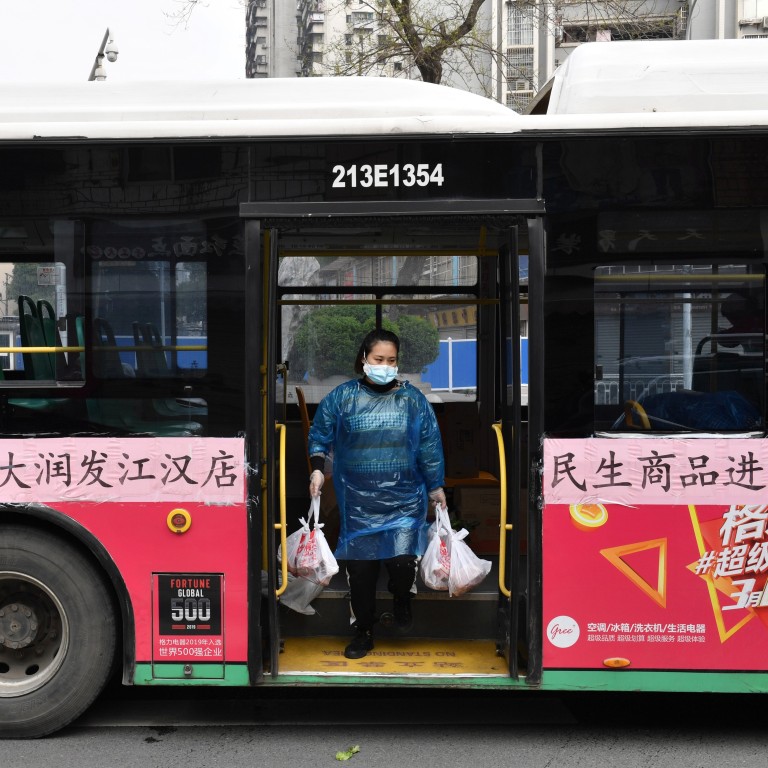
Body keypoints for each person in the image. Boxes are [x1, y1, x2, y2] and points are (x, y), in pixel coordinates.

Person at [307, 328, 446, 659]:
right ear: (364, 360)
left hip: (404, 501)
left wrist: (436, 485)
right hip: (358, 503)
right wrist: (316, 468)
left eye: (392, 360)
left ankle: (402, 599)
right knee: (362, 572)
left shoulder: (413, 400)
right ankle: (363, 631)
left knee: (401, 562)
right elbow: (320, 434)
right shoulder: (342, 398)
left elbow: (429, 445)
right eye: (379, 359)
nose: (385, 365)